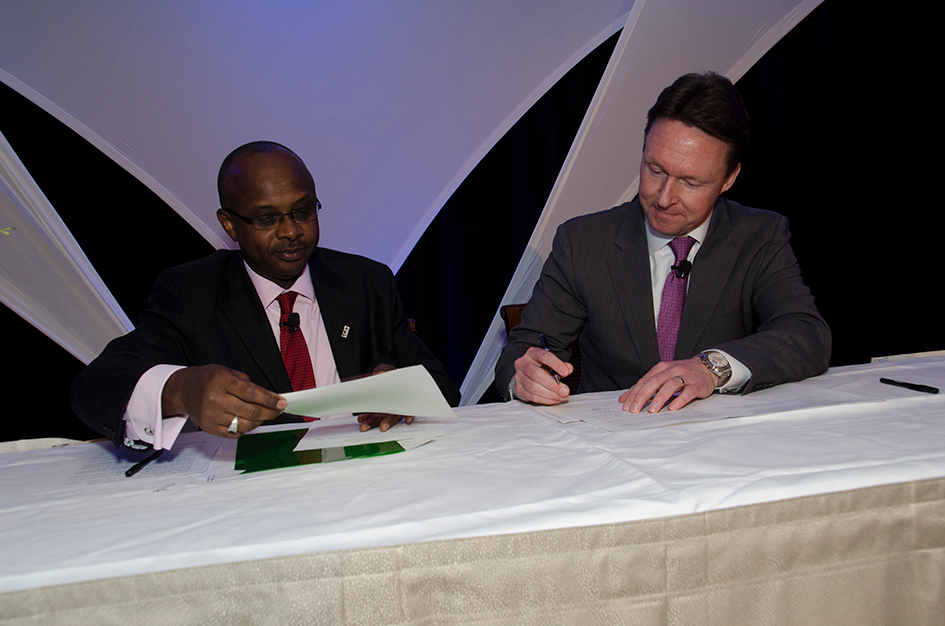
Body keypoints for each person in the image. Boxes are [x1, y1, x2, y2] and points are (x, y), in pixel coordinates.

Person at [72, 141, 460, 450]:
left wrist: (397, 389)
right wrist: (181, 390)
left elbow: (442, 385)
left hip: (364, 479)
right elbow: (96, 386)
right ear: (229, 224)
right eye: (266, 218)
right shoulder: (191, 292)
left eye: (303, 211)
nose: (291, 231)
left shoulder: (365, 281)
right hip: (254, 500)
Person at [495, 72, 831, 413]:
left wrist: (711, 367)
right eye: (655, 170)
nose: (665, 197)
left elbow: (806, 333)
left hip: (720, 443)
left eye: (690, 182)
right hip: (612, 444)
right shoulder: (583, 242)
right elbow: (522, 350)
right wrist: (524, 376)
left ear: (729, 179)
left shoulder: (759, 236)